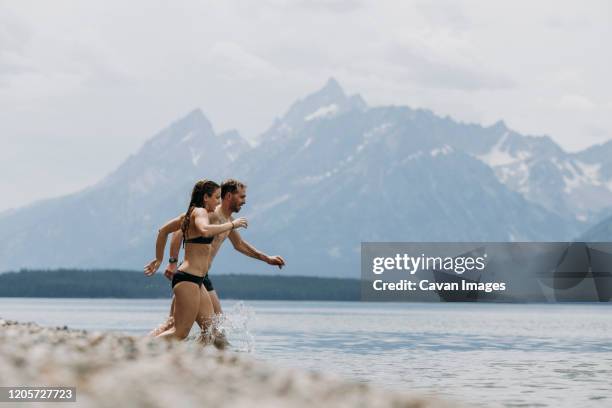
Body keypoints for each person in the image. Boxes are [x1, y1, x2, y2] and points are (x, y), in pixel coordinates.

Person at [149, 179, 286, 345]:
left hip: (200, 277)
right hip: (189, 275)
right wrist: (171, 261)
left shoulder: (226, 220)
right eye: (242, 196)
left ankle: (190, 361)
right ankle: (139, 347)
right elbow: (179, 232)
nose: (245, 201)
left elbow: (240, 244)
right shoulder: (209, 215)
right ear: (229, 196)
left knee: (211, 331)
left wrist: (267, 258)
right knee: (183, 329)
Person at [143, 179, 248, 341]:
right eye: (216, 197)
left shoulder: (190, 214)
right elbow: (205, 231)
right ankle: (139, 348)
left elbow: (163, 231)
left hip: (197, 281)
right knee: (179, 332)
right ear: (206, 198)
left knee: (211, 333)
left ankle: (193, 363)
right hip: (188, 279)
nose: (218, 202)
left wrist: (158, 259)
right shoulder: (199, 212)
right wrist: (232, 225)